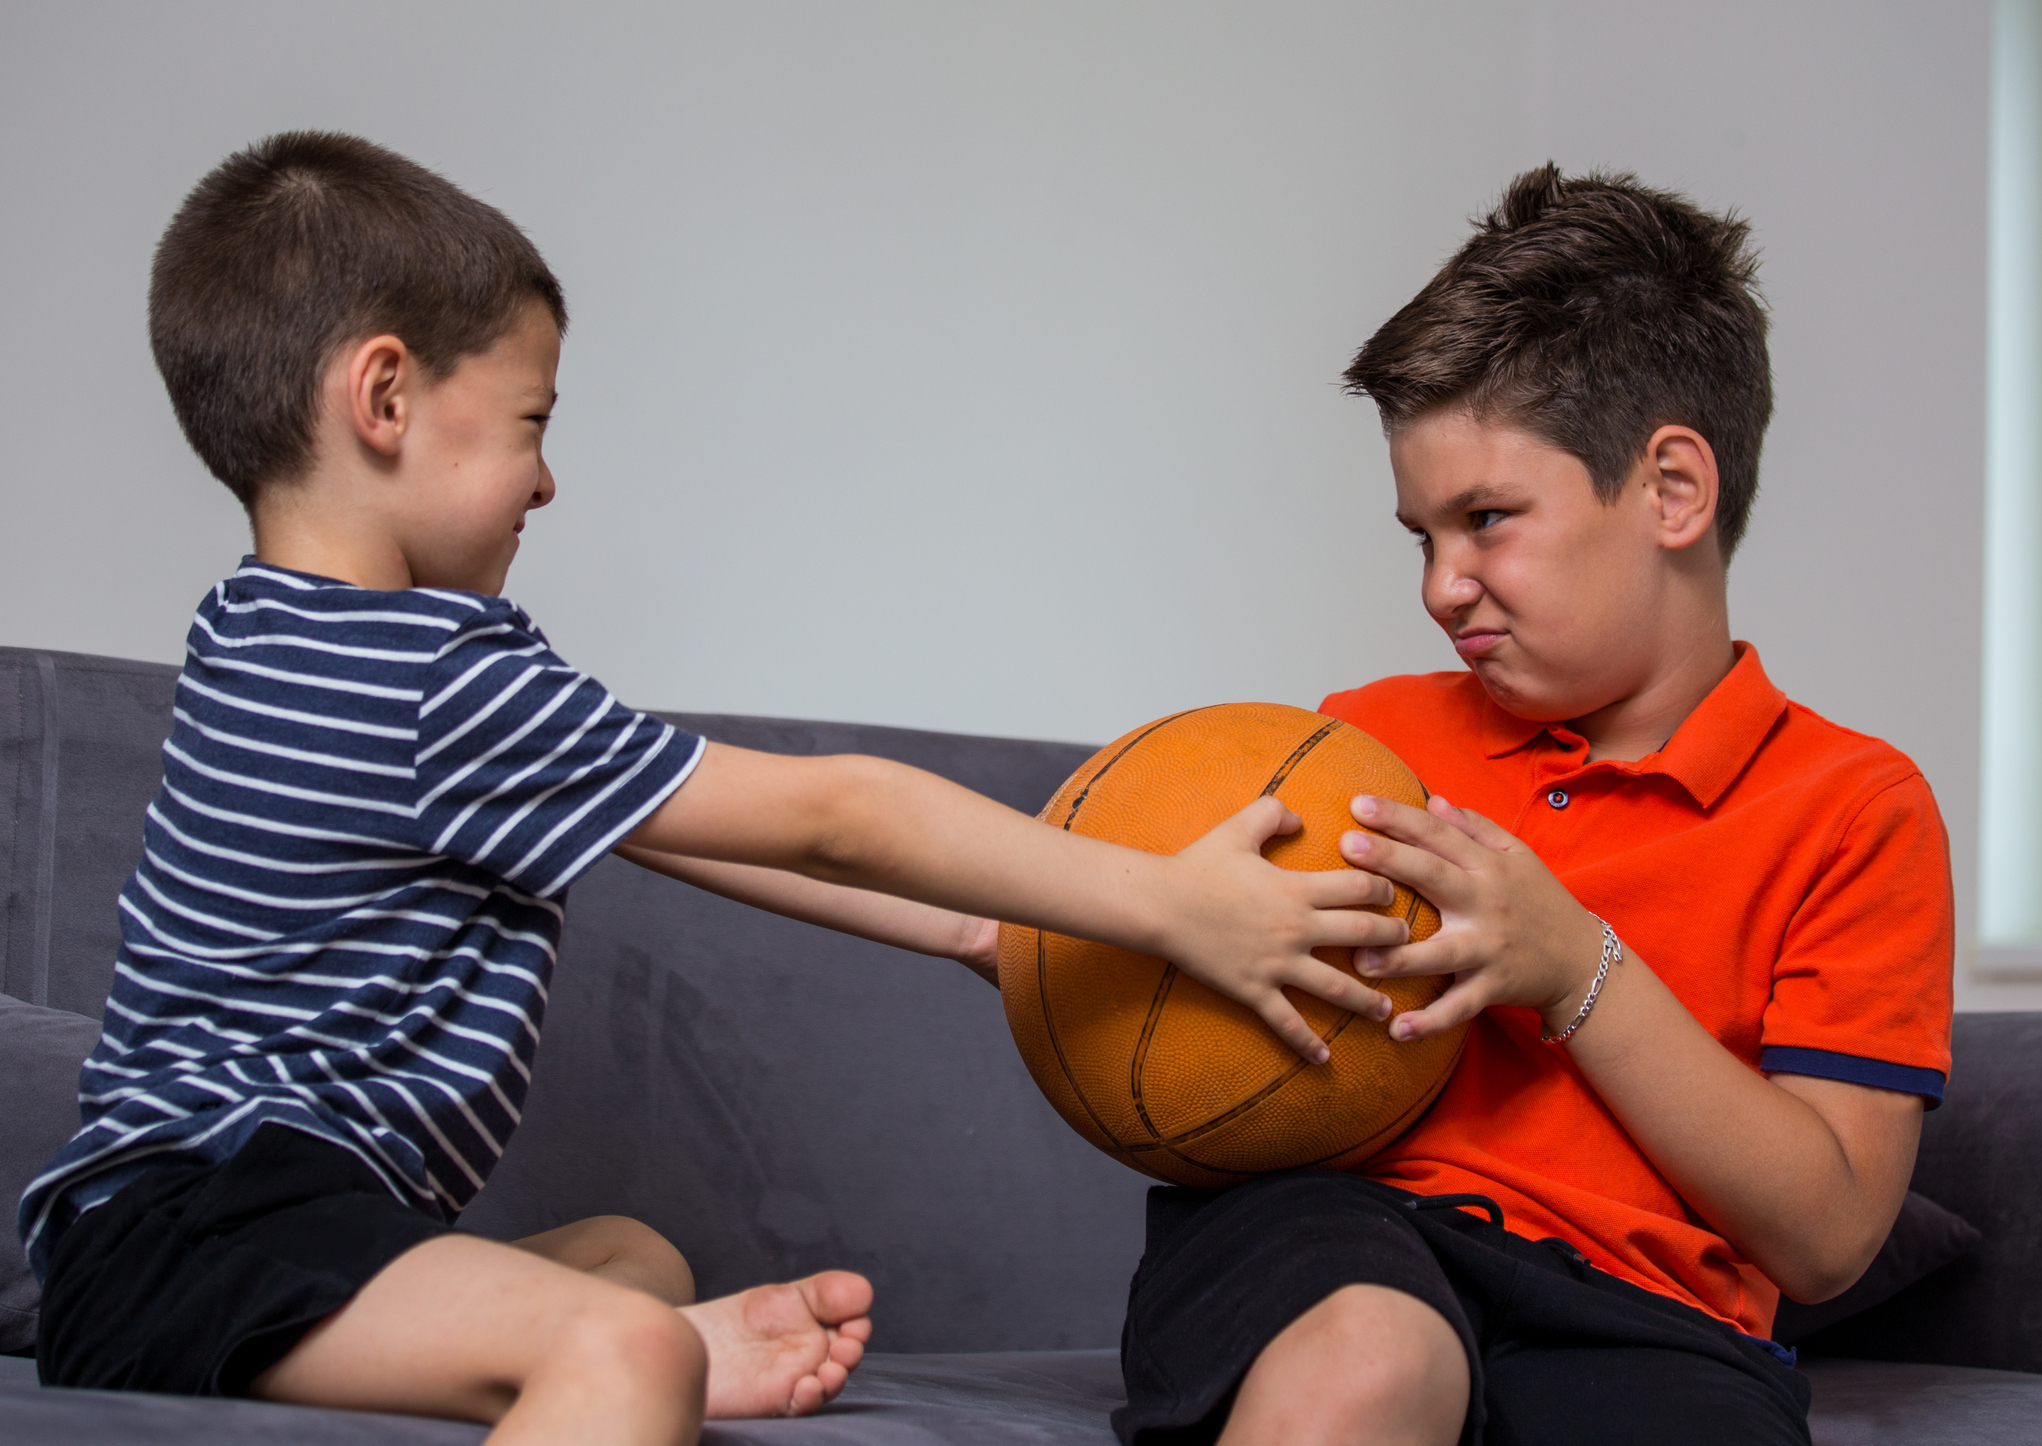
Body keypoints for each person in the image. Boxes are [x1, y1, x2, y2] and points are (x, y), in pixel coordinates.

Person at [17, 131, 1413, 1446]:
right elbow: (834, 812)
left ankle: (645, 1332)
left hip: (223, 1229)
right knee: (626, 1344)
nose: (547, 480)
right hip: (196, 1231)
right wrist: (1164, 903)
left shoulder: (270, 632)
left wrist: (984, 932)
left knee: (635, 1261)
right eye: (527, 420)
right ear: (384, 397)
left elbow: (672, 830)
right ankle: (640, 1359)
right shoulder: (431, 675)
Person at [1107, 165, 1955, 1446]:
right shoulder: (1362, 739)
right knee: (1370, 1357)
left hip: (1654, 1315)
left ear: (1673, 490)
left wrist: (1574, 968)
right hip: (1335, 1235)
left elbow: (1828, 1236)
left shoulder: (1855, 808)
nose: (1445, 585)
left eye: (1486, 519)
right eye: (1419, 536)